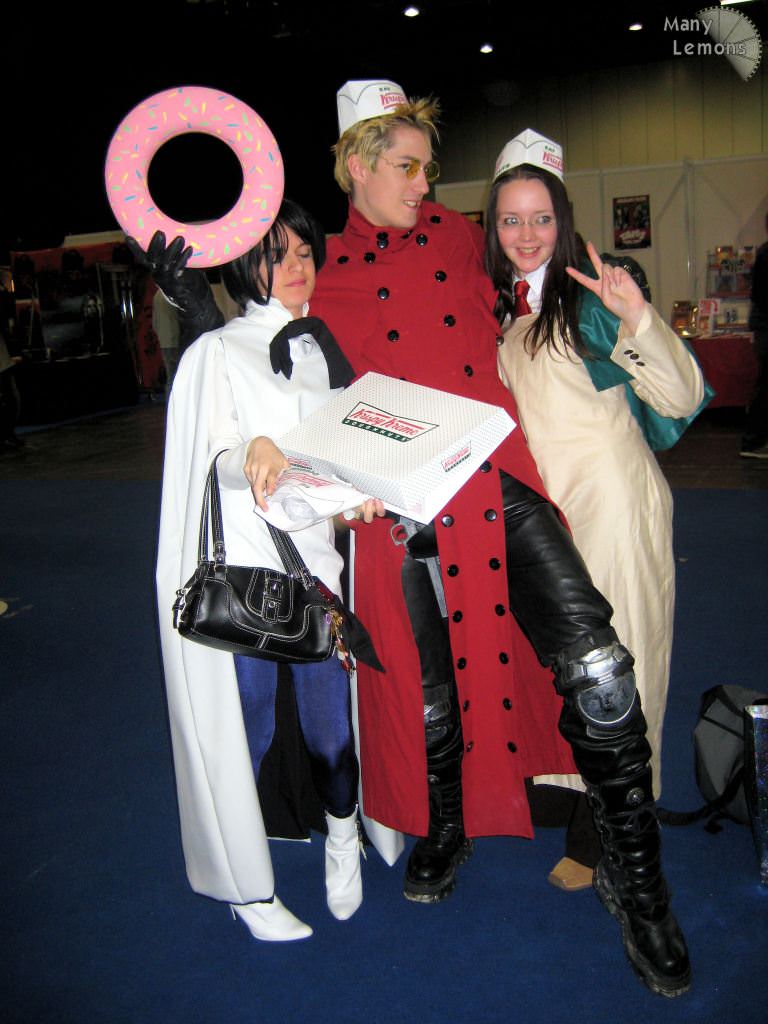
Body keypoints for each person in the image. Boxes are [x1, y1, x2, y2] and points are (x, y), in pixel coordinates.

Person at [145, 81, 691, 997]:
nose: (424, 182)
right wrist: (199, 312)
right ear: (358, 165)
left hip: (499, 482)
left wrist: (623, 315)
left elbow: (532, 271)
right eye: (407, 165)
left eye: (428, 167)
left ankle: (643, 892)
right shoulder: (324, 272)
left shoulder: (460, 240)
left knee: (597, 664)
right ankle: (443, 826)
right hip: (397, 509)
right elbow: (267, 362)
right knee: (426, 689)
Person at [153, 199, 386, 943]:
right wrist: (251, 448)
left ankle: (343, 840)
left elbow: (340, 456)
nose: (295, 266)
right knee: (246, 730)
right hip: (248, 568)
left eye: (305, 252)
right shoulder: (218, 350)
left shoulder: (324, 350)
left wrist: (361, 496)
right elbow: (212, 459)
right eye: (276, 254)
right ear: (246, 267)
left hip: (317, 567)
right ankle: (245, 888)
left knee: (330, 731)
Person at [485, 129, 708, 892]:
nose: (526, 235)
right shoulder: (500, 309)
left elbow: (680, 397)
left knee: (624, 660)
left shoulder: (588, 300)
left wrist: (637, 316)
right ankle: (569, 787)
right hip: (548, 518)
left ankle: (609, 829)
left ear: (564, 219)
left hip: (613, 505)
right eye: (511, 219)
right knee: (565, 661)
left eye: (541, 218)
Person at [740, 212, 768, 458]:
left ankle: (754, 440)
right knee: (765, 387)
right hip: (766, 328)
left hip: (763, 326)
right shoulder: (765, 253)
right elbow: (760, 295)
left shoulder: (764, 253)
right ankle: (753, 441)